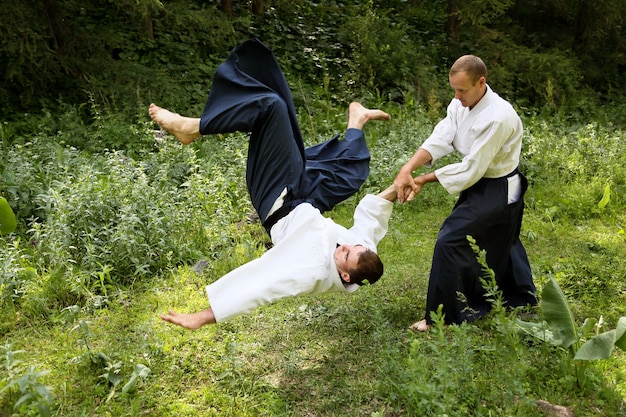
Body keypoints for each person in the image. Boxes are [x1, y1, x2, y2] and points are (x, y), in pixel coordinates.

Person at [150, 38, 402, 329]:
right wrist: (401, 184)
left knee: (272, 106)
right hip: (307, 198)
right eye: (352, 246)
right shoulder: (360, 251)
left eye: (345, 253)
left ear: (344, 275)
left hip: (277, 200)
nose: (345, 245)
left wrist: (203, 317)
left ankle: (192, 127)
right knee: (351, 174)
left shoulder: (309, 271)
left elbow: (262, 287)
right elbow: (370, 216)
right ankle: (356, 122)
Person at [393, 54, 537, 332]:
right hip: (485, 182)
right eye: (454, 90)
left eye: (462, 90)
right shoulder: (461, 103)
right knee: (503, 234)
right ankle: (521, 294)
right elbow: (442, 135)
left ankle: (442, 317)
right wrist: (407, 168)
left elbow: (472, 168)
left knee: (451, 240)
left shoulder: (498, 117)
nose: (457, 97)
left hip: (503, 186)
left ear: (481, 82)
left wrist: (422, 179)